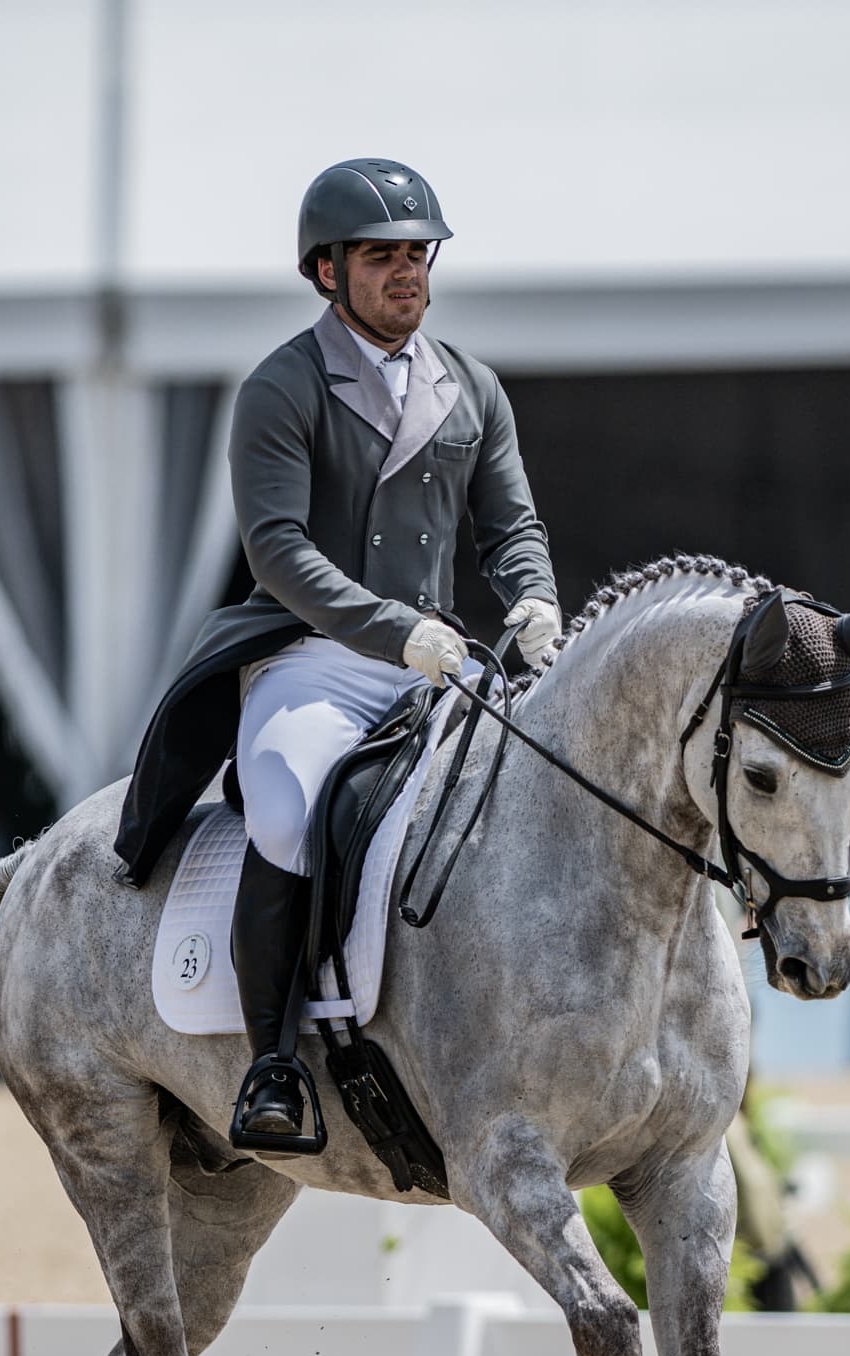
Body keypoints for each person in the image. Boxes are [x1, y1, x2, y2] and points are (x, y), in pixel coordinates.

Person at [110, 158, 561, 1150]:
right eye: (379, 256)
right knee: (282, 802)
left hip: (442, 661)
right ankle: (271, 1062)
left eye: (416, 253)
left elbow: (511, 525)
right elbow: (277, 549)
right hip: (316, 657)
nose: (405, 271)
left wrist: (532, 601)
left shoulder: (471, 387)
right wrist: (394, 629)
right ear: (326, 270)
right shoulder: (282, 386)